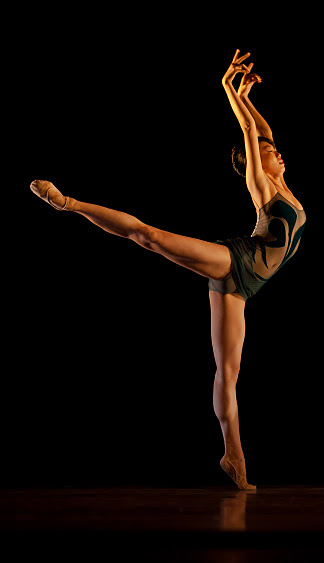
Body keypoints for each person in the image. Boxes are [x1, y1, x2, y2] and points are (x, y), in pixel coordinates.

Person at [29, 50, 306, 490]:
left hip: (245, 288)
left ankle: (232, 454)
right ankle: (68, 203)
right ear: (255, 163)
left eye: (275, 151)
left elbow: (263, 128)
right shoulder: (261, 185)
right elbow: (254, 134)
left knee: (228, 373)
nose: (278, 153)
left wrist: (245, 93)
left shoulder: (284, 184)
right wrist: (227, 90)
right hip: (236, 260)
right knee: (150, 237)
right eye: (270, 153)